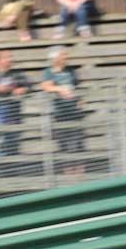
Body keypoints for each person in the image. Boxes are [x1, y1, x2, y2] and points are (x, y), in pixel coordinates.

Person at [40, 46, 85, 175]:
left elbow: (76, 88)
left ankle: (80, 172)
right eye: (63, 55)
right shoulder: (49, 72)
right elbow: (46, 87)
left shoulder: (71, 71)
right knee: (63, 143)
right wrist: (61, 89)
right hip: (60, 112)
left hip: (75, 111)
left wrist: (80, 99)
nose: (67, 57)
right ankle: (68, 172)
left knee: (78, 143)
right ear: (56, 58)